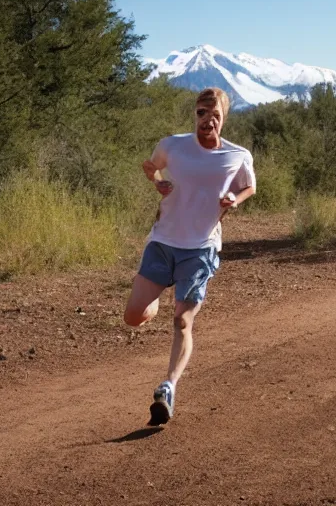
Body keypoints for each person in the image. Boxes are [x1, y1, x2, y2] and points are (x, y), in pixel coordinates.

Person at [123, 87, 256, 426]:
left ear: (223, 119)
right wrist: (157, 181)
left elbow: (249, 186)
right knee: (134, 316)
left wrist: (233, 201)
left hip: (200, 247)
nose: (207, 121)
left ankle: (168, 387)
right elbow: (150, 166)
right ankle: (158, 296)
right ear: (195, 114)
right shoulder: (173, 145)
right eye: (202, 113)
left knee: (183, 320)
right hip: (163, 242)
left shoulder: (238, 155)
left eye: (215, 116)